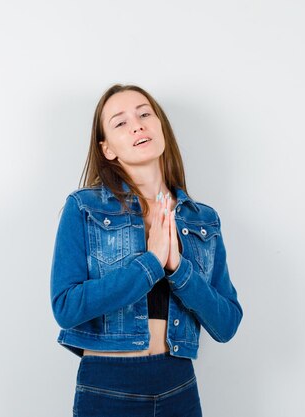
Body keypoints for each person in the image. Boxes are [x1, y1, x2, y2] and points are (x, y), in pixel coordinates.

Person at [50, 84, 243, 416]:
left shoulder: (203, 220)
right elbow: (66, 307)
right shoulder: (84, 208)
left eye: (144, 114)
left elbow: (226, 324)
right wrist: (151, 263)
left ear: (160, 127)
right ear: (107, 148)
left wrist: (179, 269)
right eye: (120, 122)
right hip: (109, 385)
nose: (137, 124)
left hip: (179, 384)